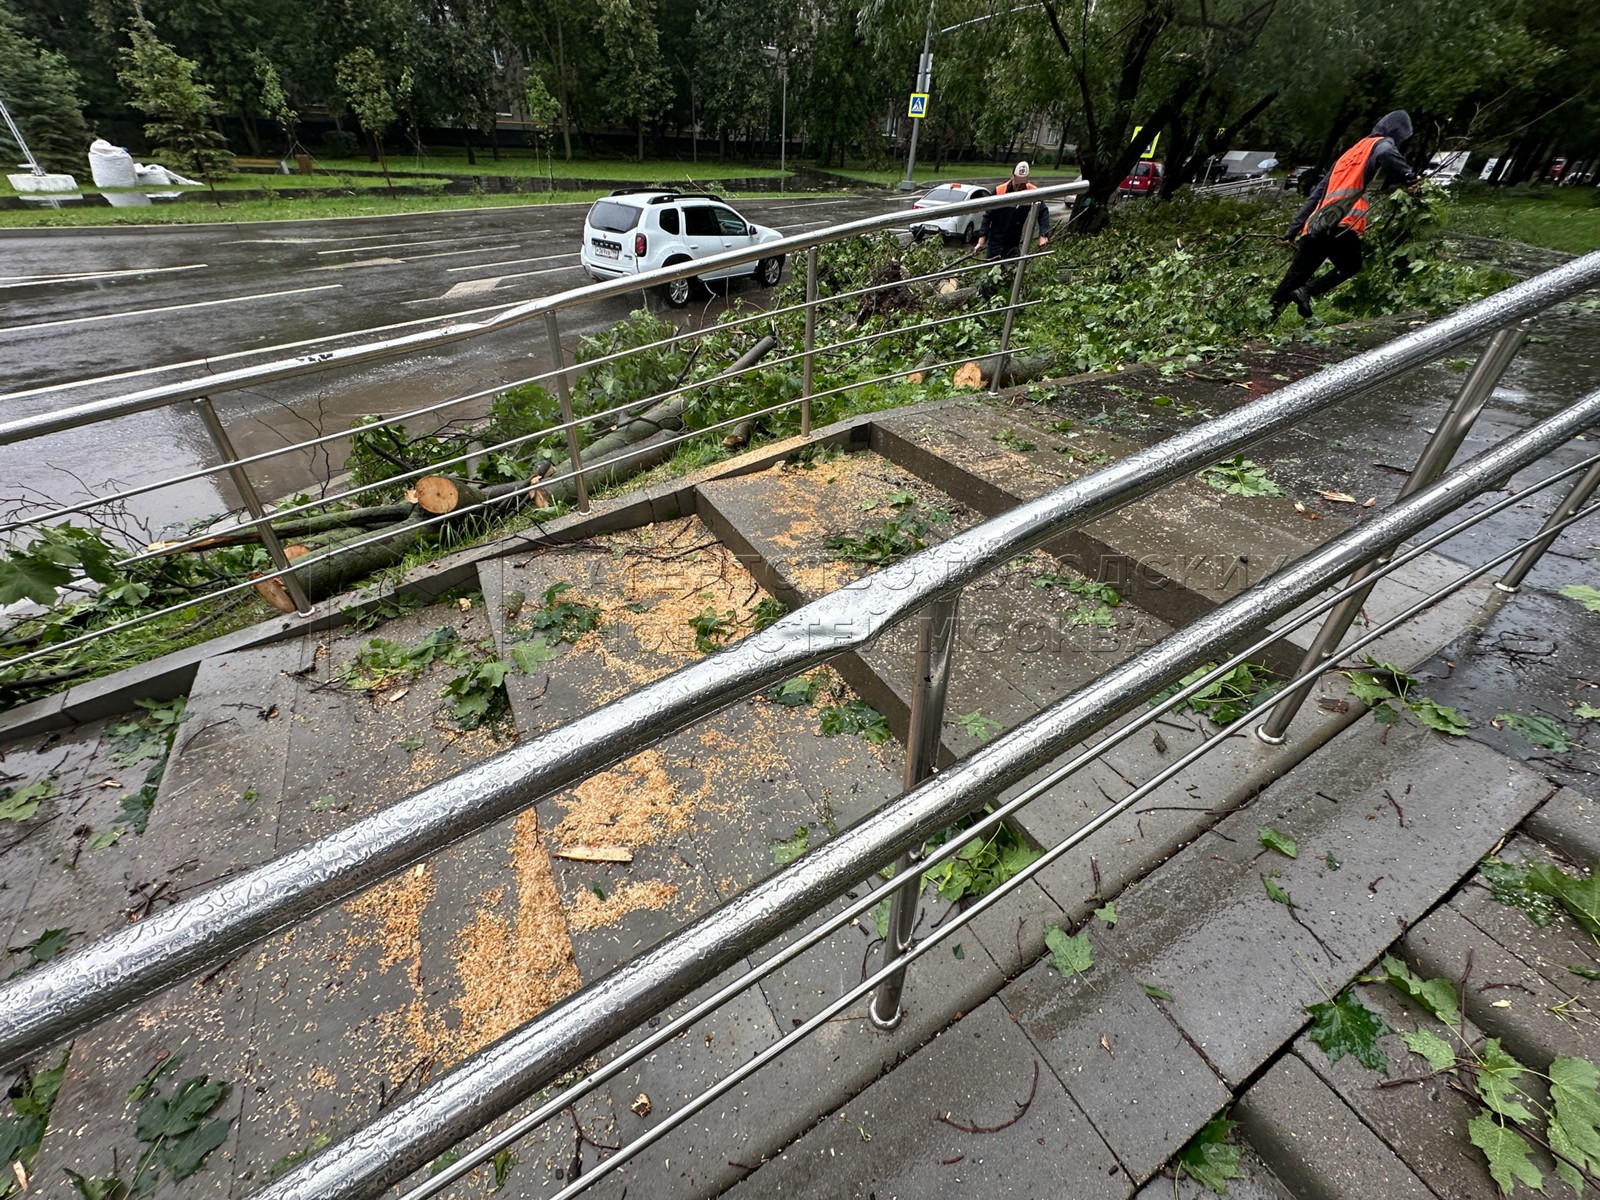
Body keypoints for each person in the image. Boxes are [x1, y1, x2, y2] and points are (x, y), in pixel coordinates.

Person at [1269, 111, 1419, 322]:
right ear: (1397, 133)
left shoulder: (1349, 153)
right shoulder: (1380, 145)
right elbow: (1387, 153)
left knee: (1293, 279)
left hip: (1316, 224)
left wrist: (1292, 231)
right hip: (1341, 222)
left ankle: (1263, 322)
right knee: (1351, 265)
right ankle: (1308, 292)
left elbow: (1316, 194)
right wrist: (1410, 179)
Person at [974, 161, 1051, 262]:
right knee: (992, 269)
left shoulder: (1032, 192)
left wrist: (1043, 235)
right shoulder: (999, 191)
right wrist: (981, 240)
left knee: (1012, 268)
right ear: (1012, 177)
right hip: (996, 241)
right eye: (1018, 181)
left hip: (1013, 241)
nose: (1019, 186)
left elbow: (1043, 212)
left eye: (1023, 182)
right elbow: (988, 216)